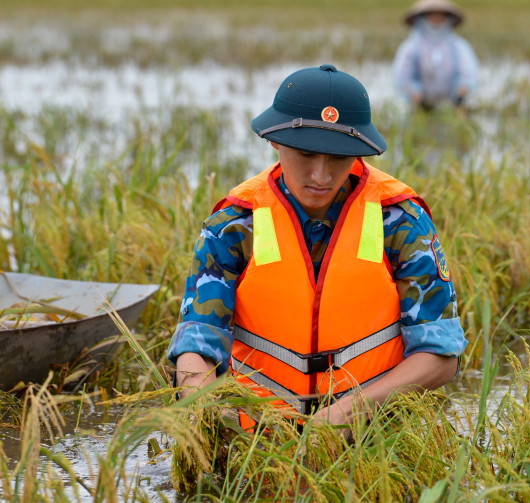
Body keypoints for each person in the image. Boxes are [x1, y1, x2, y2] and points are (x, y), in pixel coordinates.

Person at [167, 64, 467, 433]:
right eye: (306, 154)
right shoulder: (233, 224)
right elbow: (196, 343)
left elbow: (440, 355)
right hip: (254, 435)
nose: (321, 176)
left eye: (339, 157)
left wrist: (351, 411)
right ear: (275, 140)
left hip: (371, 436)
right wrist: (207, 414)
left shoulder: (401, 220)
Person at [393, 0, 479, 110]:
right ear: (423, 17)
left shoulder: (458, 45)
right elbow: (402, 76)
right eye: (432, 15)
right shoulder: (411, 46)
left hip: (452, 106)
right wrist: (416, 96)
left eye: (440, 15)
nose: (436, 19)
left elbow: (468, 72)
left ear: (447, 17)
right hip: (419, 107)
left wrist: (461, 93)